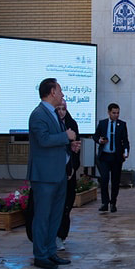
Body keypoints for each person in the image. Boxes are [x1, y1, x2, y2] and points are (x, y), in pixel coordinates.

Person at [28, 78, 80, 269]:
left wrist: (69, 146)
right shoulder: (38, 115)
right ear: (52, 92)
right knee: (43, 216)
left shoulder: (54, 114)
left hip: (58, 174)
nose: (62, 94)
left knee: (55, 215)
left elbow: (55, 141)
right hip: (44, 176)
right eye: (60, 91)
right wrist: (65, 136)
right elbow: (43, 140)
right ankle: (40, 255)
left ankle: (51, 251)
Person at [55, 100, 82, 251]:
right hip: (55, 171)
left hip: (69, 172)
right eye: (58, 109)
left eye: (63, 109)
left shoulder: (72, 124)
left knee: (67, 205)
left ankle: (62, 235)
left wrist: (73, 168)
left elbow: (76, 149)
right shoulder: (52, 123)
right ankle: (56, 236)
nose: (61, 112)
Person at [93, 103, 129, 213]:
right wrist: (100, 140)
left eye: (117, 113)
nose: (116, 115)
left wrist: (126, 151)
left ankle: (113, 202)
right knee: (104, 179)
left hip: (116, 157)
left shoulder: (122, 124)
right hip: (104, 156)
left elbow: (125, 140)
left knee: (115, 180)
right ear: (109, 112)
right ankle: (105, 202)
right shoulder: (103, 123)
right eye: (114, 113)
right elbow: (95, 136)